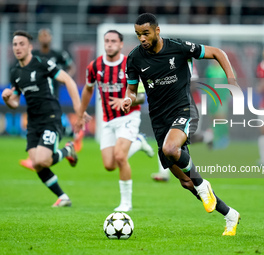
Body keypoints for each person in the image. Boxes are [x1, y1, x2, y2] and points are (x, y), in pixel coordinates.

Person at [122, 13, 240, 236]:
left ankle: (204, 186)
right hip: (159, 121)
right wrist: (129, 99)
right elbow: (133, 91)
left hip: (184, 110)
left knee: (171, 149)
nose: (142, 39)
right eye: (138, 35)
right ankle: (230, 214)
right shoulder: (134, 58)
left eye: (146, 33)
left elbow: (217, 52)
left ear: (157, 31)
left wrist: (231, 80)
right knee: (187, 183)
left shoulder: (178, 47)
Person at [75, 30, 154, 212]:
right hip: (108, 120)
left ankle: (126, 203)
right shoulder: (94, 67)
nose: (109, 44)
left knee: (120, 157)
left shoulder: (131, 64)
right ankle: (139, 143)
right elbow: (88, 90)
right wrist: (81, 113)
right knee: (109, 165)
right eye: (107, 41)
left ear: (120, 45)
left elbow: (143, 95)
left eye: (113, 41)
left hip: (129, 116)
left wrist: (126, 100)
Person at [2, 30, 81, 207]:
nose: (18, 48)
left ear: (30, 47)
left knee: (41, 160)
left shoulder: (42, 64)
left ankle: (68, 150)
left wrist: (78, 108)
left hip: (51, 117)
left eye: (22, 44)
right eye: (15, 44)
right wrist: (8, 99)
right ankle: (63, 197)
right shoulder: (15, 72)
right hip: (33, 122)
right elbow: (14, 102)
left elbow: (68, 80)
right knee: (37, 164)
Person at [19, 28, 82, 171]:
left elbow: (71, 66)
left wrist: (64, 77)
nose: (44, 38)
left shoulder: (58, 54)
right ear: (38, 39)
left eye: (47, 35)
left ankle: (39, 156)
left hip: (52, 95)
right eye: (42, 35)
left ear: (51, 38)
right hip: (37, 96)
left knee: (50, 122)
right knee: (46, 123)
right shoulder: (34, 55)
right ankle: (73, 136)